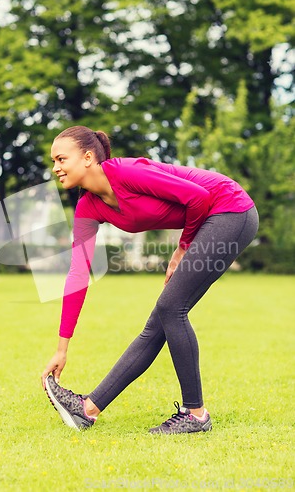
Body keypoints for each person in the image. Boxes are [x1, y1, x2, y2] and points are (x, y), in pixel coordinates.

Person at [41, 125, 259, 434]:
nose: (56, 168)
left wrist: (182, 249)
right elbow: (78, 273)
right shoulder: (88, 206)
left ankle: (195, 414)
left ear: (88, 157)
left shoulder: (126, 172)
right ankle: (88, 410)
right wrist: (62, 348)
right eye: (54, 161)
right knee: (159, 322)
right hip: (212, 218)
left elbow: (198, 197)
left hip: (229, 210)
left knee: (171, 309)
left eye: (61, 159)